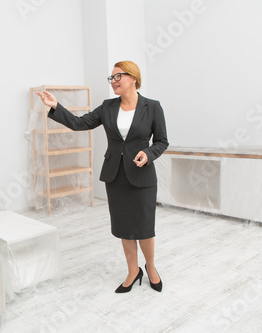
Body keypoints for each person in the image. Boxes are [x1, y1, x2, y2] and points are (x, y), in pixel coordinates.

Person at [35, 60, 168, 293]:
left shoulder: (152, 107)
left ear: (133, 79)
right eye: (112, 78)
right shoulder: (108, 107)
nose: (114, 81)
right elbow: (79, 123)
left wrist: (148, 153)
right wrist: (56, 106)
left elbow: (161, 141)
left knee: (145, 227)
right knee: (124, 227)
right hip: (115, 176)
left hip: (142, 176)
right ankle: (132, 271)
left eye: (118, 76)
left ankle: (151, 267)